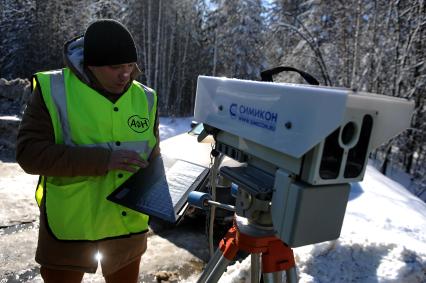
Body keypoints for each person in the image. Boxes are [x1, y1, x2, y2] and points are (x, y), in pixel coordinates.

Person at [16, 19, 160, 283]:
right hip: (70, 226)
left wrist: (166, 190)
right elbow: (29, 154)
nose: (125, 75)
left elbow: (152, 156)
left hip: (126, 228)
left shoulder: (146, 98)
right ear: (90, 65)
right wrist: (103, 160)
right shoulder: (53, 90)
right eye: (115, 67)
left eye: (130, 66)